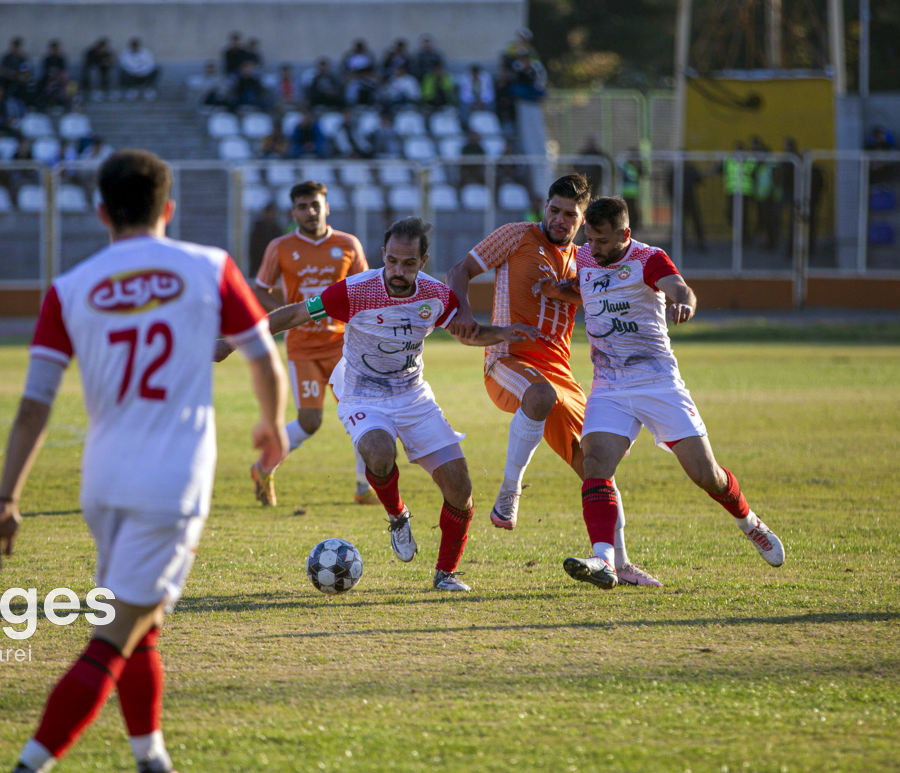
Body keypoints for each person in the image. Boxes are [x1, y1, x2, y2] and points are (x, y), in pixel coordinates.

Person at [0, 148, 286, 773]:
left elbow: (34, 404)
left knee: (142, 623)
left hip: (103, 484)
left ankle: (154, 769)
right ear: (168, 209)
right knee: (116, 634)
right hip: (170, 485)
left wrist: (8, 497)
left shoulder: (69, 287)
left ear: (100, 212)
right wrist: (272, 426)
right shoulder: (209, 267)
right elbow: (263, 353)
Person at [226, 217, 541, 592]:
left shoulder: (437, 295)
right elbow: (294, 313)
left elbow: (466, 333)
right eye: (392, 261)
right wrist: (233, 343)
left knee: (460, 489)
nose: (398, 270)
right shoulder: (355, 291)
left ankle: (445, 574)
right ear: (383, 256)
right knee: (377, 450)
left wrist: (500, 333)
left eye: (408, 263)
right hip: (361, 392)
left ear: (422, 262)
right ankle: (397, 516)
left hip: (412, 395)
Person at [548, 197, 784, 588]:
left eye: (603, 241)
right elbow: (589, 291)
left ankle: (749, 522)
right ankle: (604, 560)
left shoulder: (648, 258)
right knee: (595, 465)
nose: (594, 249)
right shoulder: (587, 259)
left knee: (707, 476)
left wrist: (683, 304)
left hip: (658, 382)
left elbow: (681, 288)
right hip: (609, 385)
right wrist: (556, 292)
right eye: (589, 239)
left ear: (625, 234)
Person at [446, 174, 659, 588]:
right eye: (555, 210)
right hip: (507, 360)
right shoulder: (515, 235)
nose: (560, 220)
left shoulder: (587, 258)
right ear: (545, 207)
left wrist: (567, 292)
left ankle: (619, 563)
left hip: (560, 372)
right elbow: (460, 269)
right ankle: (509, 493)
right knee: (539, 395)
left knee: (597, 466)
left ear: (583, 219)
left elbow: (604, 293)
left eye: (570, 215)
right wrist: (465, 314)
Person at [240, 181, 371, 504]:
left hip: (345, 347)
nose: (310, 212)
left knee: (364, 414)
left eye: (315, 205)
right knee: (309, 422)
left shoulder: (348, 244)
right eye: (302, 206)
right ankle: (264, 467)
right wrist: (291, 315)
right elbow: (260, 289)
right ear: (293, 211)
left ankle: (365, 488)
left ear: (326, 207)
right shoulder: (280, 247)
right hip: (303, 348)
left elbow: (367, 290)